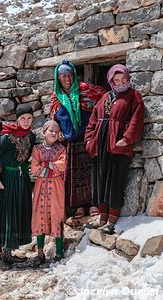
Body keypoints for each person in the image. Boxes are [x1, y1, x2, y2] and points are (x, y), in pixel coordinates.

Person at [85, 64, 145, 234]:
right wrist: (89, 139)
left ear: (127, 78)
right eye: (116, 80)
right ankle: (101, 219)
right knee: (101, 180)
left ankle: (111, 222)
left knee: (114, 182)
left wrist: (126, 138)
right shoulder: (105, 97)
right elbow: (93, 119)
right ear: (111, 80)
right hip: (100, 144)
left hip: (118, 145)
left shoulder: (134, 96)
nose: (120, 83)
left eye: (123, 79)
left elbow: (137, 119)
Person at [50, 59, 106, 219]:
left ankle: (94, 203)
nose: (67, 79)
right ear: (58, 78)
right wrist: (57, 130)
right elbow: (53, 119)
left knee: (93, 173)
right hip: (69, 143)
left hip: (89, 139)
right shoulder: (56, 98)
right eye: (63, 76)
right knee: (73, 176)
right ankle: (79, 207)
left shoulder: (86, 90)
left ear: (74, 75)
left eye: (69, 75)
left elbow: (104, 99)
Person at [0, 103, 36, 270]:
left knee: (14, 214)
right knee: (1, 215)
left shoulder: (32, 136)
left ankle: (9, 254)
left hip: (20, 179)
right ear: (17, 119)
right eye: (23, 118)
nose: (26, 121)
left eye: (29, 118)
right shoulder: (5, 138)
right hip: (4, 179)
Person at [31, 120, 66, 265]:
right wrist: (52, 167)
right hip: (41, 187)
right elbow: (34, 168)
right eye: (51, 130)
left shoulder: (61, 149)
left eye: (56, 132)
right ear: (44, 132)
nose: (53, 133)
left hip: (56, 187)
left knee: (56, 214)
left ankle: (59, 251)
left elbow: (62, 165)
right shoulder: (37, 149)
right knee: (40, 215)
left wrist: (45, 165)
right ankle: (39, 253)